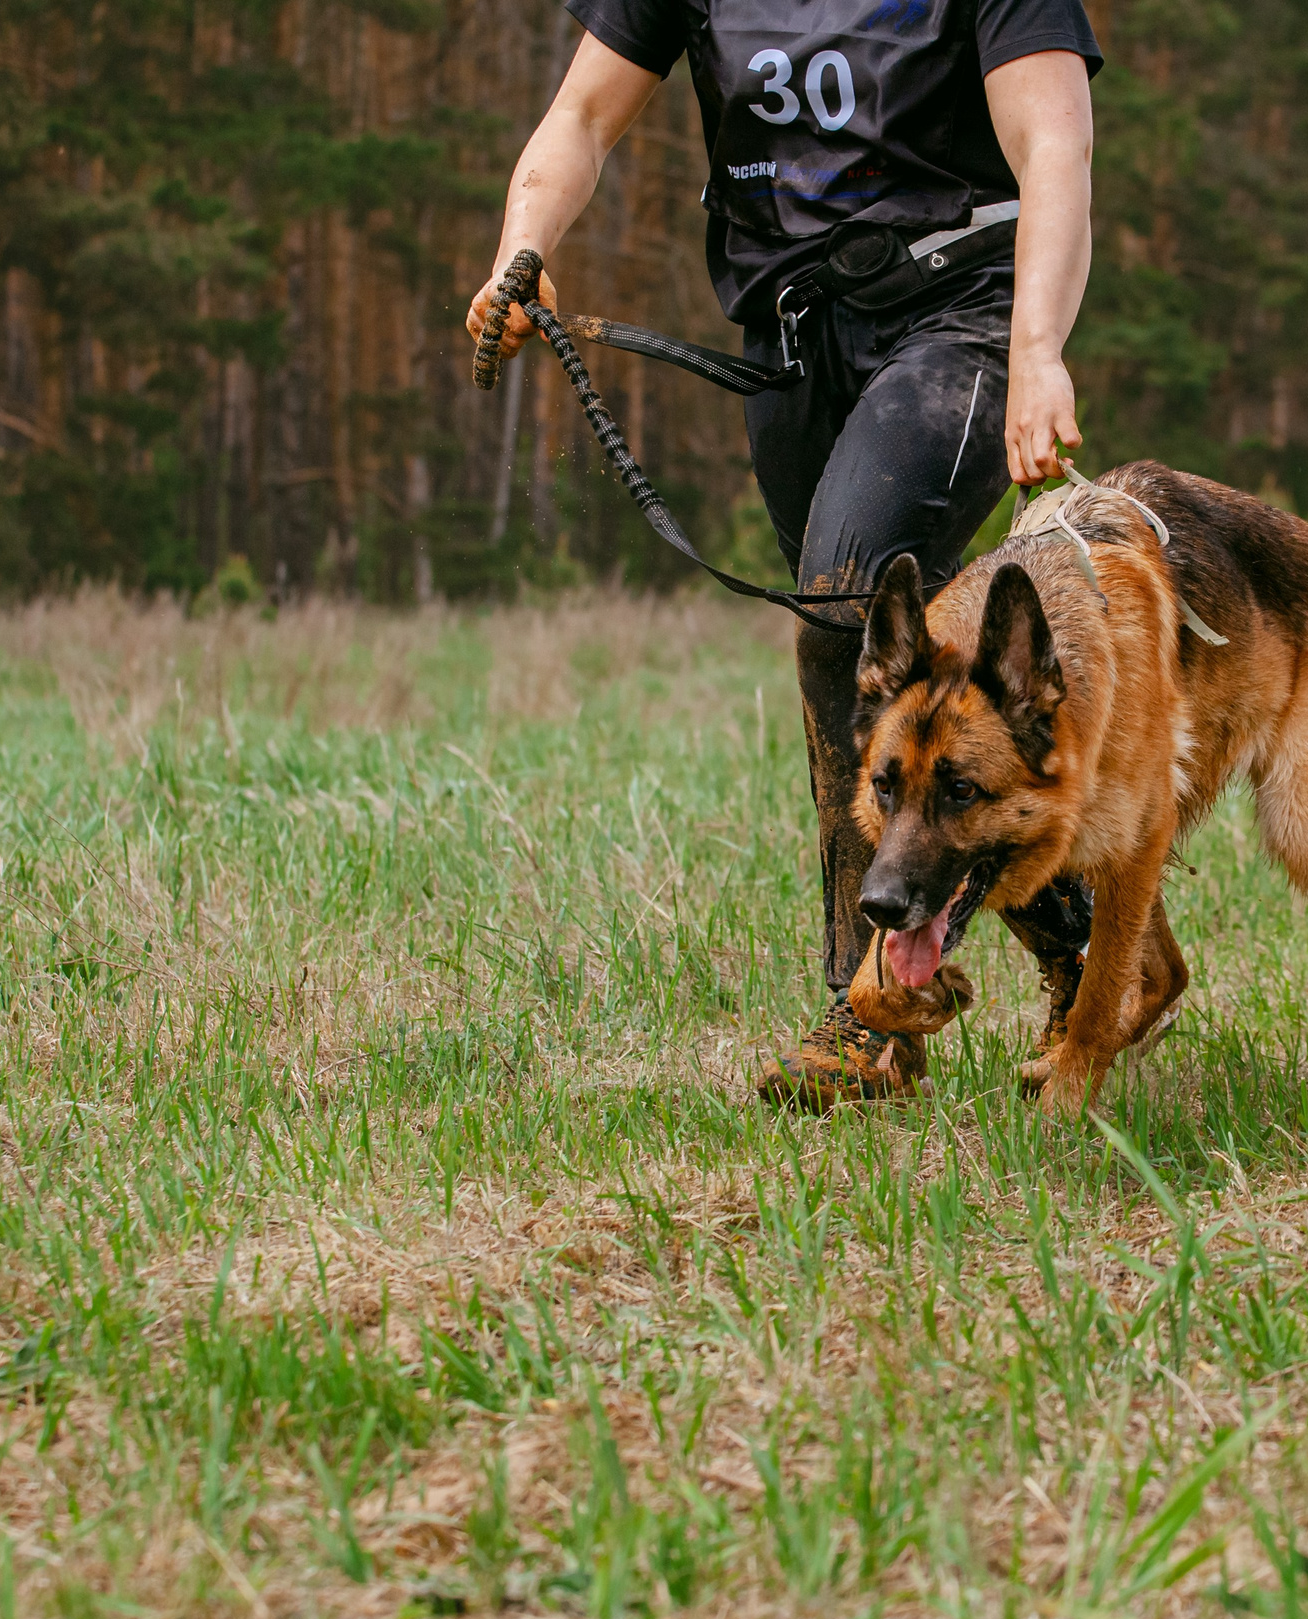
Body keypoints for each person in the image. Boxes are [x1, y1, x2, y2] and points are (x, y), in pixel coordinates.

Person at [469, 0, 1103, 1109]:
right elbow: (580, 118)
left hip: (960, 318)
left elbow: (1054, 144)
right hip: (794, 344)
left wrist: (1037, 349)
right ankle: (1079, 948)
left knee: (838, 619)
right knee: (888, 680)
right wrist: (522, 253)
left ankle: (865, 1015)